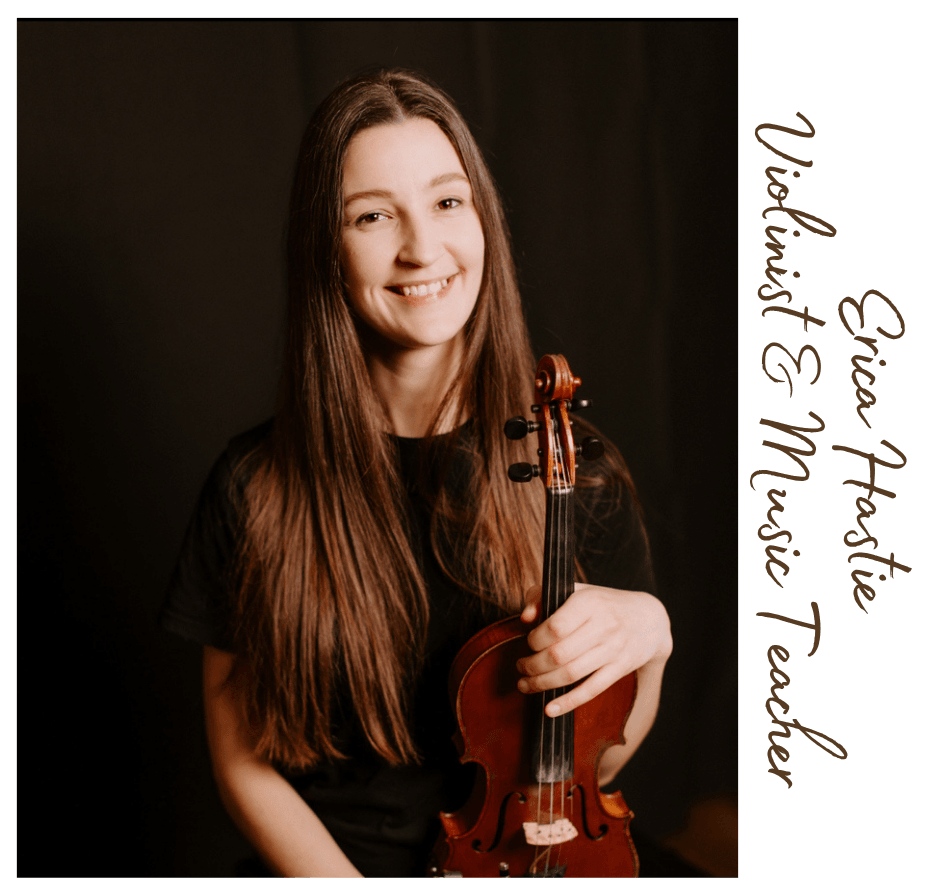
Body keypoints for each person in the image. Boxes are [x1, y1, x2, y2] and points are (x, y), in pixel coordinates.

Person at [161, 68, 672, 878]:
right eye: (372, 215)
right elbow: (241, 765)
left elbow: (592, 773)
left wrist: (652, 640)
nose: (423, 249)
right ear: (324, 244)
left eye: (446, 202)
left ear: (483, 221)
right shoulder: (254, 485)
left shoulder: (576, 470)